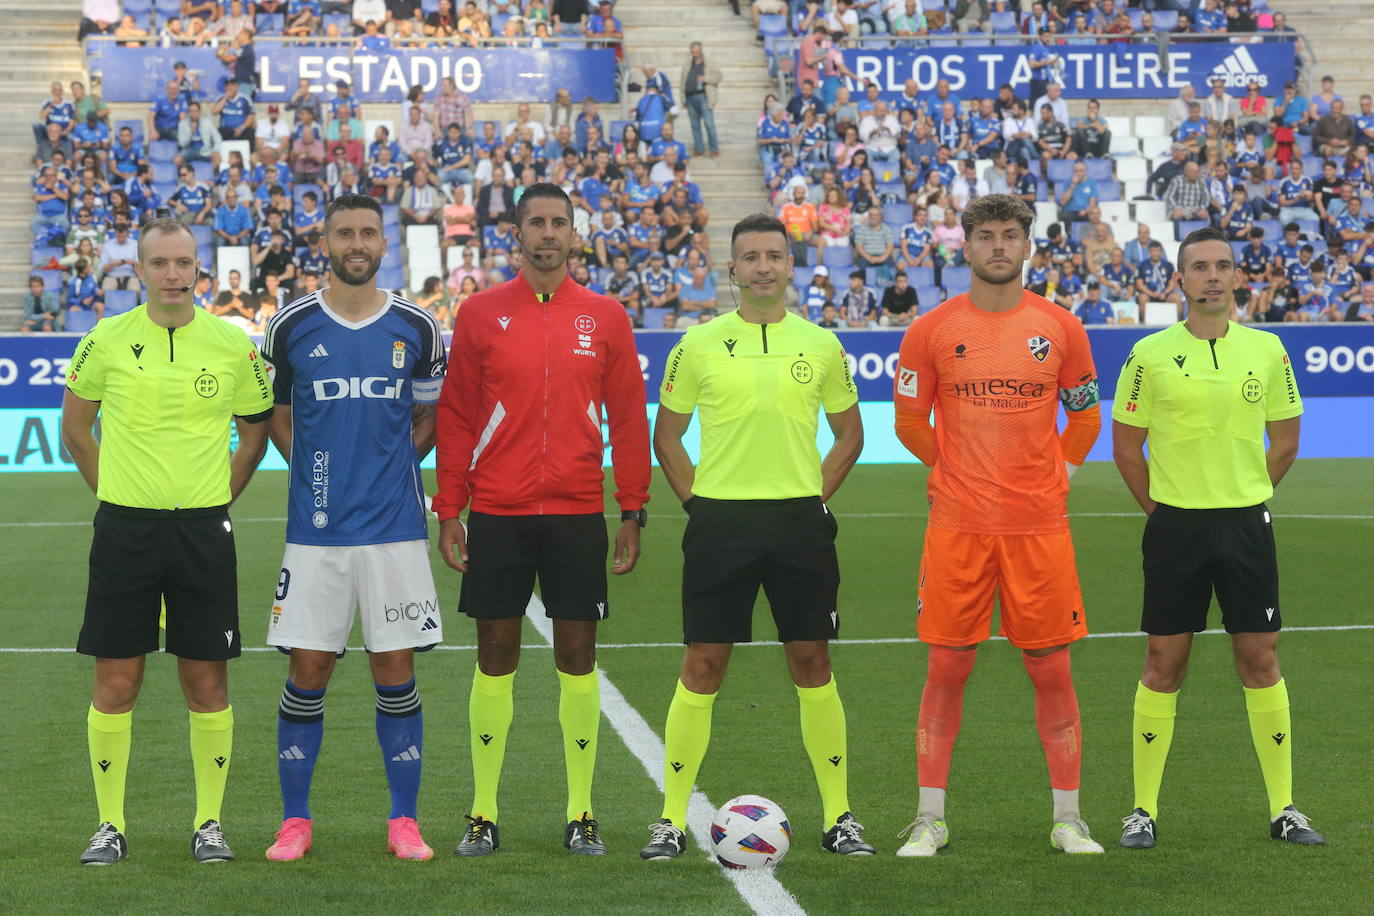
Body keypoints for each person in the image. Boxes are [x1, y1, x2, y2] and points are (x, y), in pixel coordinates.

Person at [638, 213, 871, 862]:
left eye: (775, 254)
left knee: (813, 664)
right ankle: (670, 820)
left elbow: (851, 434)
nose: (764, 265)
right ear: (731, 270)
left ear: (790, 265)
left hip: (798, 523)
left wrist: (811, 497)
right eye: (751, 257)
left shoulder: (821, 345)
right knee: (703, 665)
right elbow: (667, 435)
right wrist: (699, 506)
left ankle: (839, 817)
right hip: (722, 525)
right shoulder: (698, 344)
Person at [434, 183, 651, 857]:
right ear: (518, 235)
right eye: (537, 223)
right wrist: (450, 508)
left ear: (574, 235)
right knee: (494, 655)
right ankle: (483, 813)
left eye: (560, 222)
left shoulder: (607, 316)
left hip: (578, 511)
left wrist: (632, 508)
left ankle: (581, 812)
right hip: (497, 510)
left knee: (576, 656)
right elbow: (458, 415)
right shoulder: (478, 313)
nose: (549, 233)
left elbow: (626, 416)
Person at [892, 194, 1105, 857]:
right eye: (986, 236)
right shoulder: (928, 331)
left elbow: (1087, 416)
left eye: (1010, 236)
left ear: (1026, 245)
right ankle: (929, 819)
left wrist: (1061, 469)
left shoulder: (1062, 328)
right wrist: (952, 466)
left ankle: (1069, 819)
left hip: (1038, 528)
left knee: (1051, 671)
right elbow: (907, 420)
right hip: (959, 527)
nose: (998, 247)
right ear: (967, 246)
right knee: (947, 667)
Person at [61, 218, 274, 866]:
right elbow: (76, 430)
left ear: (198, 270)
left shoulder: (231, 344)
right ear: (141, 268)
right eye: (161, 263)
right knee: (117, 680)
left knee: (206, 681)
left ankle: (208, 823)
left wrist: (215, 500)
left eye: (184, 263)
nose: (174, 275)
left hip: (202, 531)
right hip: (125, 530)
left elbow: (256, 434)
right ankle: (109, 825)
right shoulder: (105, 339)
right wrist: (117, 495)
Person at [1111, 225, 1324, 849]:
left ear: (1236, 278)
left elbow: (1286, 440)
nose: (1211, 275)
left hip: (1245, 522)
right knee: (1163, 662)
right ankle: (1142, 811)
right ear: (1179, 279)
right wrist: (1165, 511)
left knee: (1260, 659)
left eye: (1222, 266)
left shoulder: (1268, 350)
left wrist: (1246, 495)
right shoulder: (1148, 354)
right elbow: (1126, 448)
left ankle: (1285, 808)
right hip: (1175, 523)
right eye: (1198, 266)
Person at [256, 194, 446, 862]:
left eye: (368, 232)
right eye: (345, 233)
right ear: (326, 242)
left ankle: (404, 821)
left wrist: (392, 468)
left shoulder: (418, 327)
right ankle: (295, 822)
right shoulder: (291, 327)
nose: (357, 243)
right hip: (316, 534)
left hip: (395, 531)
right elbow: (275, 412)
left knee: (394, 669)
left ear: (381, 242)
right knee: (308, 669)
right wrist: (313, 472)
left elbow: (428, 419)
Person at [680, 41, 721, 158]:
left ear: (701, 51)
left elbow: (718, 76)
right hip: (690, 98)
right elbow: (682, 81)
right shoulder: (687, 64)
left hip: (704, 96)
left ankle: (714, 149)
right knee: (694, 126)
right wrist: (683, 97)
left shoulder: (709, 63)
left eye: (697, 51)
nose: (694, 53)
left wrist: (705, 79)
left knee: (709, 124)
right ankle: (699, 150)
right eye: (692, 51)